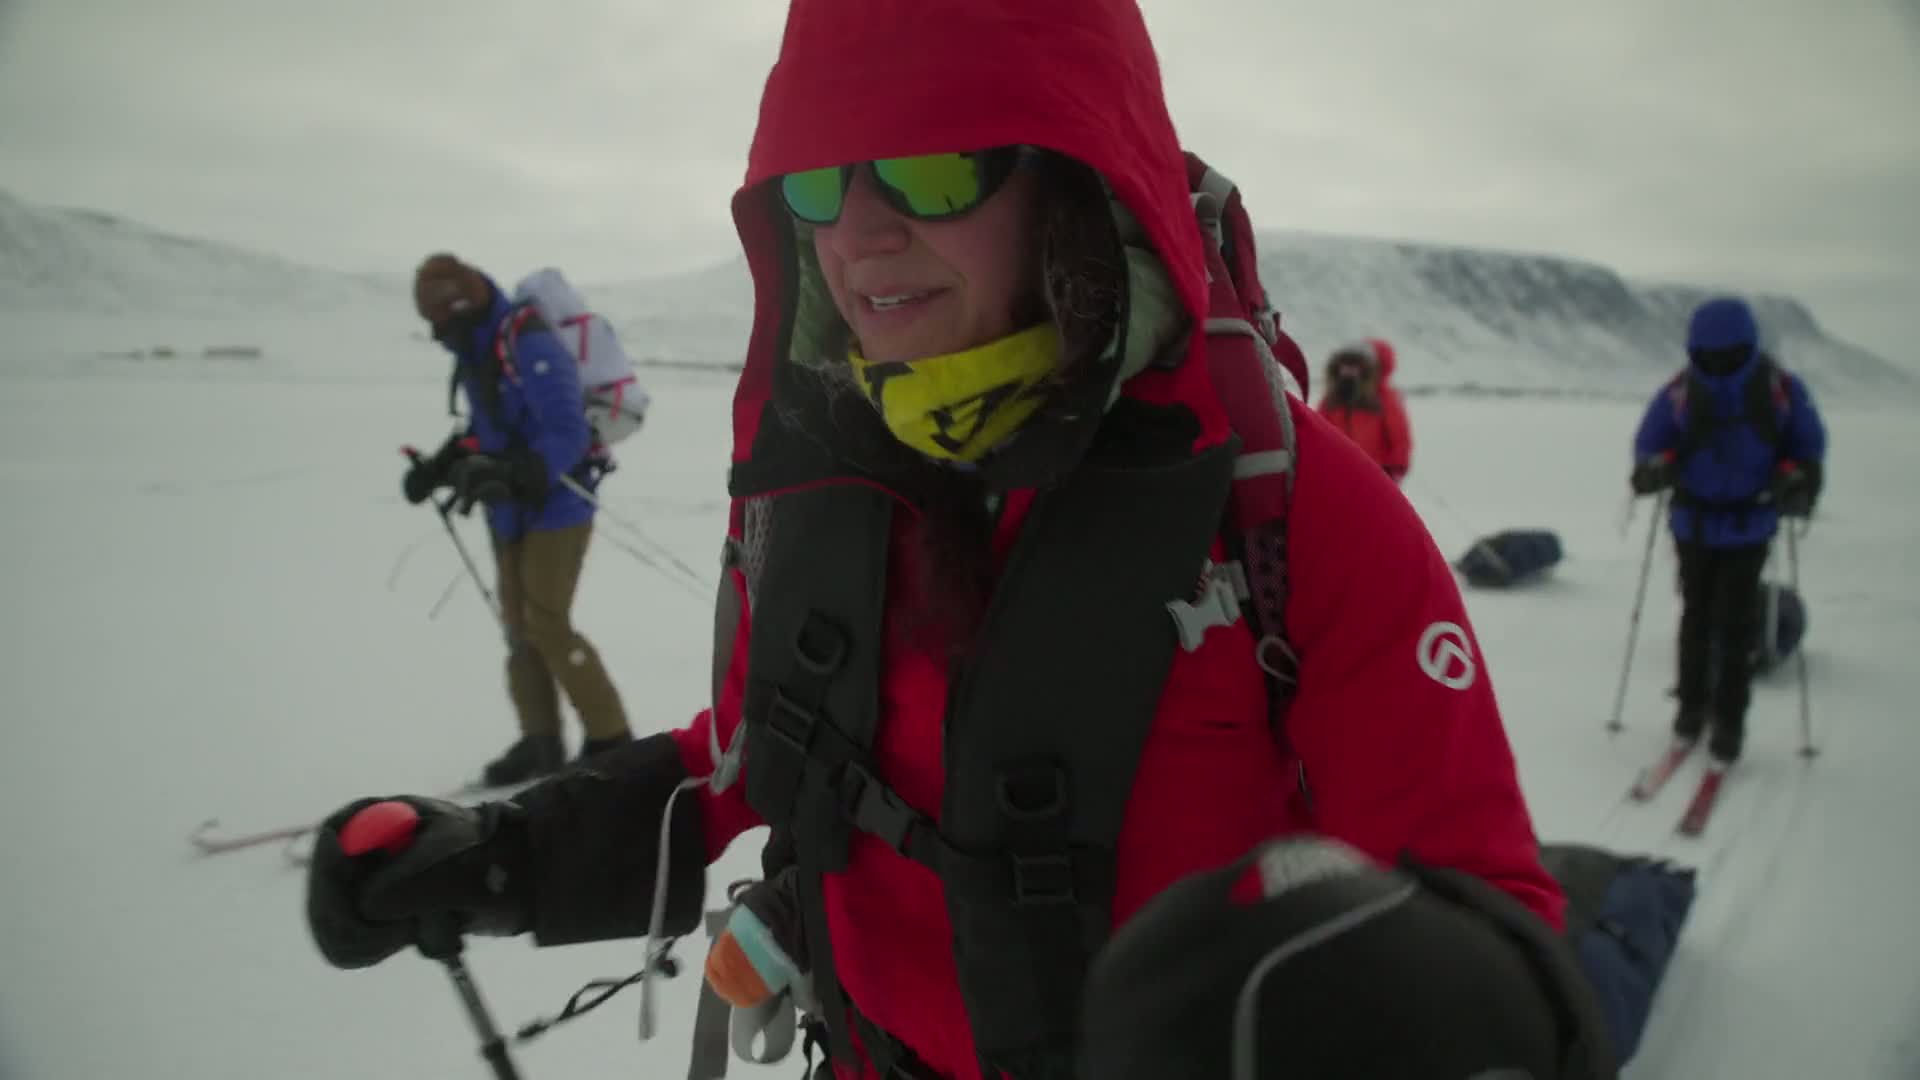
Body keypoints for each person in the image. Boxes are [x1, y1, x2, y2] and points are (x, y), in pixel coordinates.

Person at [307, 4, 1613, 1077]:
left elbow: (1491, 906)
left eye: (934, 171)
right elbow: (758, 756)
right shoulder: (820, 483)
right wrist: (509, 857)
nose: (863, 231)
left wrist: (1419, 1006)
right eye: (819, 184)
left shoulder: (1287, 506)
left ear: (1075, 184)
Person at [403, 253, 633, 786]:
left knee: (546, 622)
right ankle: (540, 741)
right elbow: (489, 426)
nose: (436, 336)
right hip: (508, 510)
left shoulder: (527, 341)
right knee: (517, 628)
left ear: (461, 308)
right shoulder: (477, 347)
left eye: (440, 323)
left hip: (559, 504)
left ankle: (613, 740)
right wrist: (443, 465)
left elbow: (567, 431)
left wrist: (513, 472)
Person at [1630, 296, 1827, 767]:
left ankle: (1722, 722)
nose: (1717, 364)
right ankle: (1697, 714)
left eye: (1727, 355)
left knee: (1726, 624)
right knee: (1701, 620)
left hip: (1743, 525)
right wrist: (1652, 469)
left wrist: (1799, 477)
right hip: (1701, 524)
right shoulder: (1687, 393)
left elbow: (1807, 447)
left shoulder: (1774, 391)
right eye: (1709, 355)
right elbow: (1649, 444)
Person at [1315, 337, 1412, 482]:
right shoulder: (1332, 399)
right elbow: (1317, 434)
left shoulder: (1384, 399)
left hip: (1375, 475)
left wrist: (1394, 469)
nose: (1349, 372)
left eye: (1354, 367)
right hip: (1337, 473)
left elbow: (1400, 439)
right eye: (1346, 367)